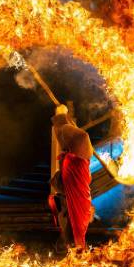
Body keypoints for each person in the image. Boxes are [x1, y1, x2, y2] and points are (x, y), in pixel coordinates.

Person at [50, 105, 94, 249]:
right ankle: (74, 249)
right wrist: (64, 115)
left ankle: (74, 250)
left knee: (74, 234)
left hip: (72, 202)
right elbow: (67, 134)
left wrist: (61, 115)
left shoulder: (74, 160)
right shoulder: (77, 156)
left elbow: (66, 134)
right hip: (72, 201)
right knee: (74, 233)